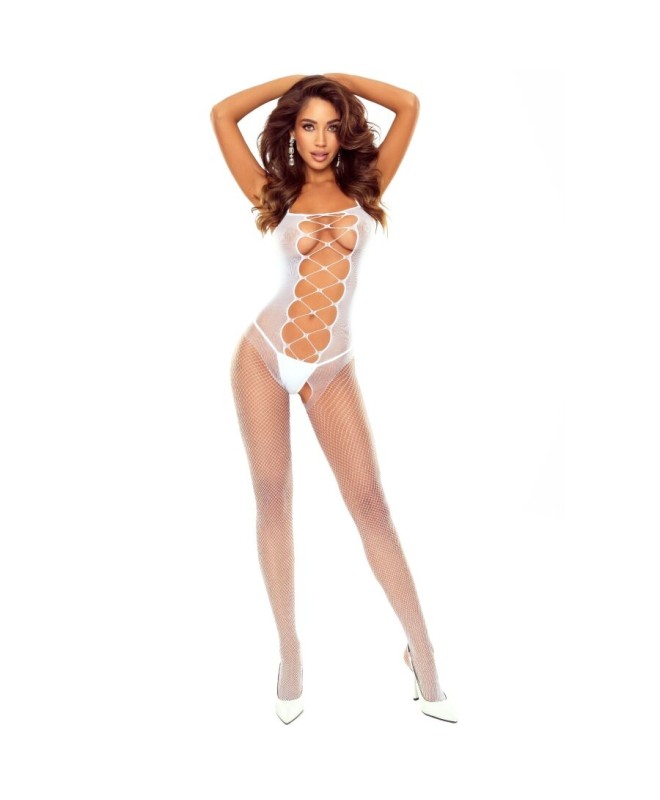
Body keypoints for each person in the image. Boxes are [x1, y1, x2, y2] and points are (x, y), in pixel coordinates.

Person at [210, 74, 457, 724]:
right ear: (293, 131)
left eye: (329, 125)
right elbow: (222, 113)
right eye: (307, 125)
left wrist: (336, 82)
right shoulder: (274, 191)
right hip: (263, 357)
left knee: (372, 506)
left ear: (343, 130)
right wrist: (296, 83)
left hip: (331, 366)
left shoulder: (365, 186)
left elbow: (409, 103)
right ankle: (289, 653)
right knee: (273, 499)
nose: (319, 139)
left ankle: (423, 655)